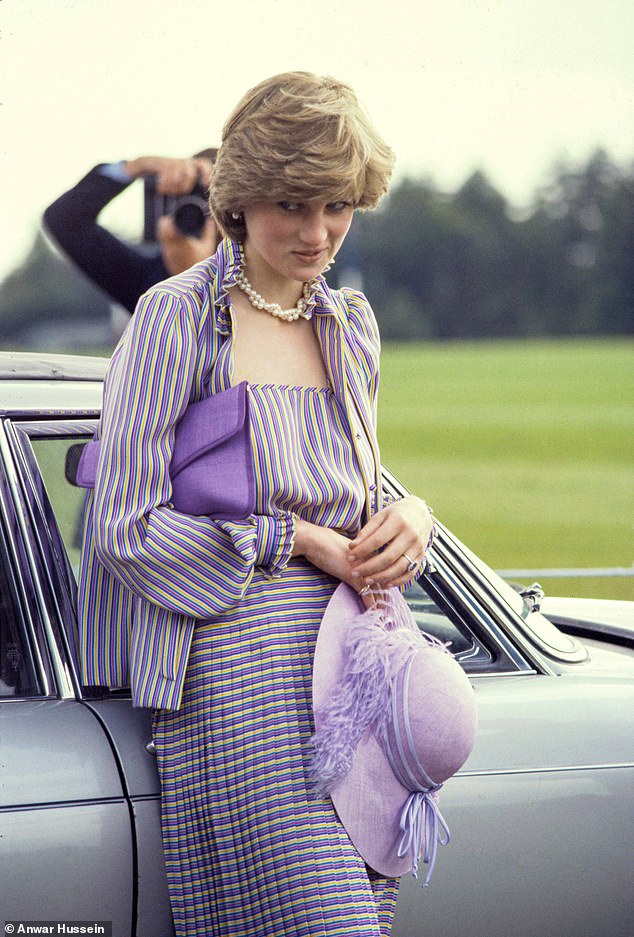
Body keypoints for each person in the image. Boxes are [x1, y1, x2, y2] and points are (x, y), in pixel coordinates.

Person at [77, 72, 435, 937]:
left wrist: (413, 513)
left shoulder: (351, 323)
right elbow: (122, 523)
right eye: (291, 205)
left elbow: (350, 482)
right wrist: (293, 538)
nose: (317, 233)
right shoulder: (178, 317)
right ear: (238, 201)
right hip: (232, 675)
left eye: (338, 205)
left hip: (355, 671)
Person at [43, 151, 219, 313]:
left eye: (216, 202)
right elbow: (65, 220)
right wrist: (135, 167)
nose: (197, 212)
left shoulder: (243, 285)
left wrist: (195, 278)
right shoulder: (151, 279)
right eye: (191, 198)